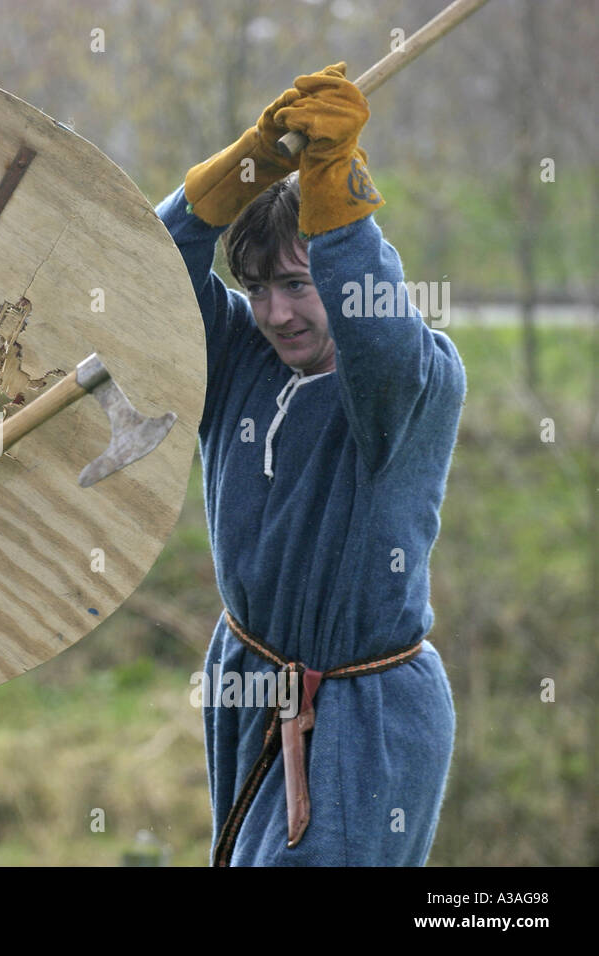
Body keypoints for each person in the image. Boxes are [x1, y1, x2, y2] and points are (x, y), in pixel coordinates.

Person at [156, 63, 464, 865]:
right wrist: (252, 161)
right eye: (257, 288)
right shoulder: (239, 359)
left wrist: (336, 193)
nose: (277, 313)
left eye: (297, 285)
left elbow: (377, 326)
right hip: (249, 683)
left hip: (365, 709)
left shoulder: (411, 386)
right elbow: (153, 269)